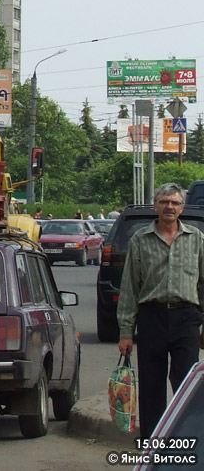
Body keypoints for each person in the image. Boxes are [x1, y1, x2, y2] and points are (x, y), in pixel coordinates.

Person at [117, 183, 204, 439]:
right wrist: (125, 332)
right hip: (151, 317)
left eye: (175, 203)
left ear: (182, 208)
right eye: (165, 202)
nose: (169, 207)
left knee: (185, 383)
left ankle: (184, 439)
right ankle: (152, 444)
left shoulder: (197, 239)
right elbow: (130, 287)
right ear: (156, 205)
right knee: (152, 385)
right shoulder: (140, 239)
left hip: (186, 317)